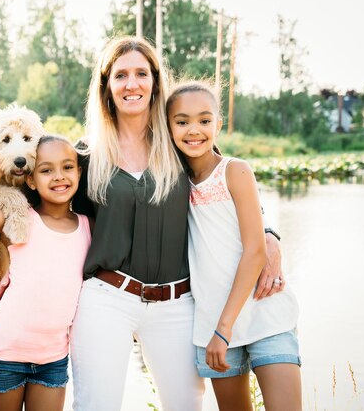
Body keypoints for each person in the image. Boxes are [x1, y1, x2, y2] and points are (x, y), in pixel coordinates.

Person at [70, 36, 286, 411]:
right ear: (106, 86)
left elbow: (229, 189)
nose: (132, 83)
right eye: (120, 75)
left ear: (155, 82)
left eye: (141, 73)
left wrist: (269, 235)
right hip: (106, 299)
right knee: (95, 405)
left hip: (176, 303)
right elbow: (52, 215)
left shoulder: (180, 143)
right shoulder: (86, 155)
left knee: (186, 405)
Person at [166, 79, 302, 410]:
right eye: (182, 121)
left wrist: (223, 330)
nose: (193, 130)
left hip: (263, 315)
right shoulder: (172, 182)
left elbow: (255, 251)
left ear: (219, 123)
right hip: (210, 325)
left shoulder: (235, 171)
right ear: (167, 126)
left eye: (204, 120)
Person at [0, 135, 91, 411]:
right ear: (30, 179)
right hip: (4, 353)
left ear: (79, 172)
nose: (58, 177)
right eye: (46, 170)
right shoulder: (19, 219)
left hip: (52, 356)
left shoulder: (89, 226)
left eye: (67, 167)